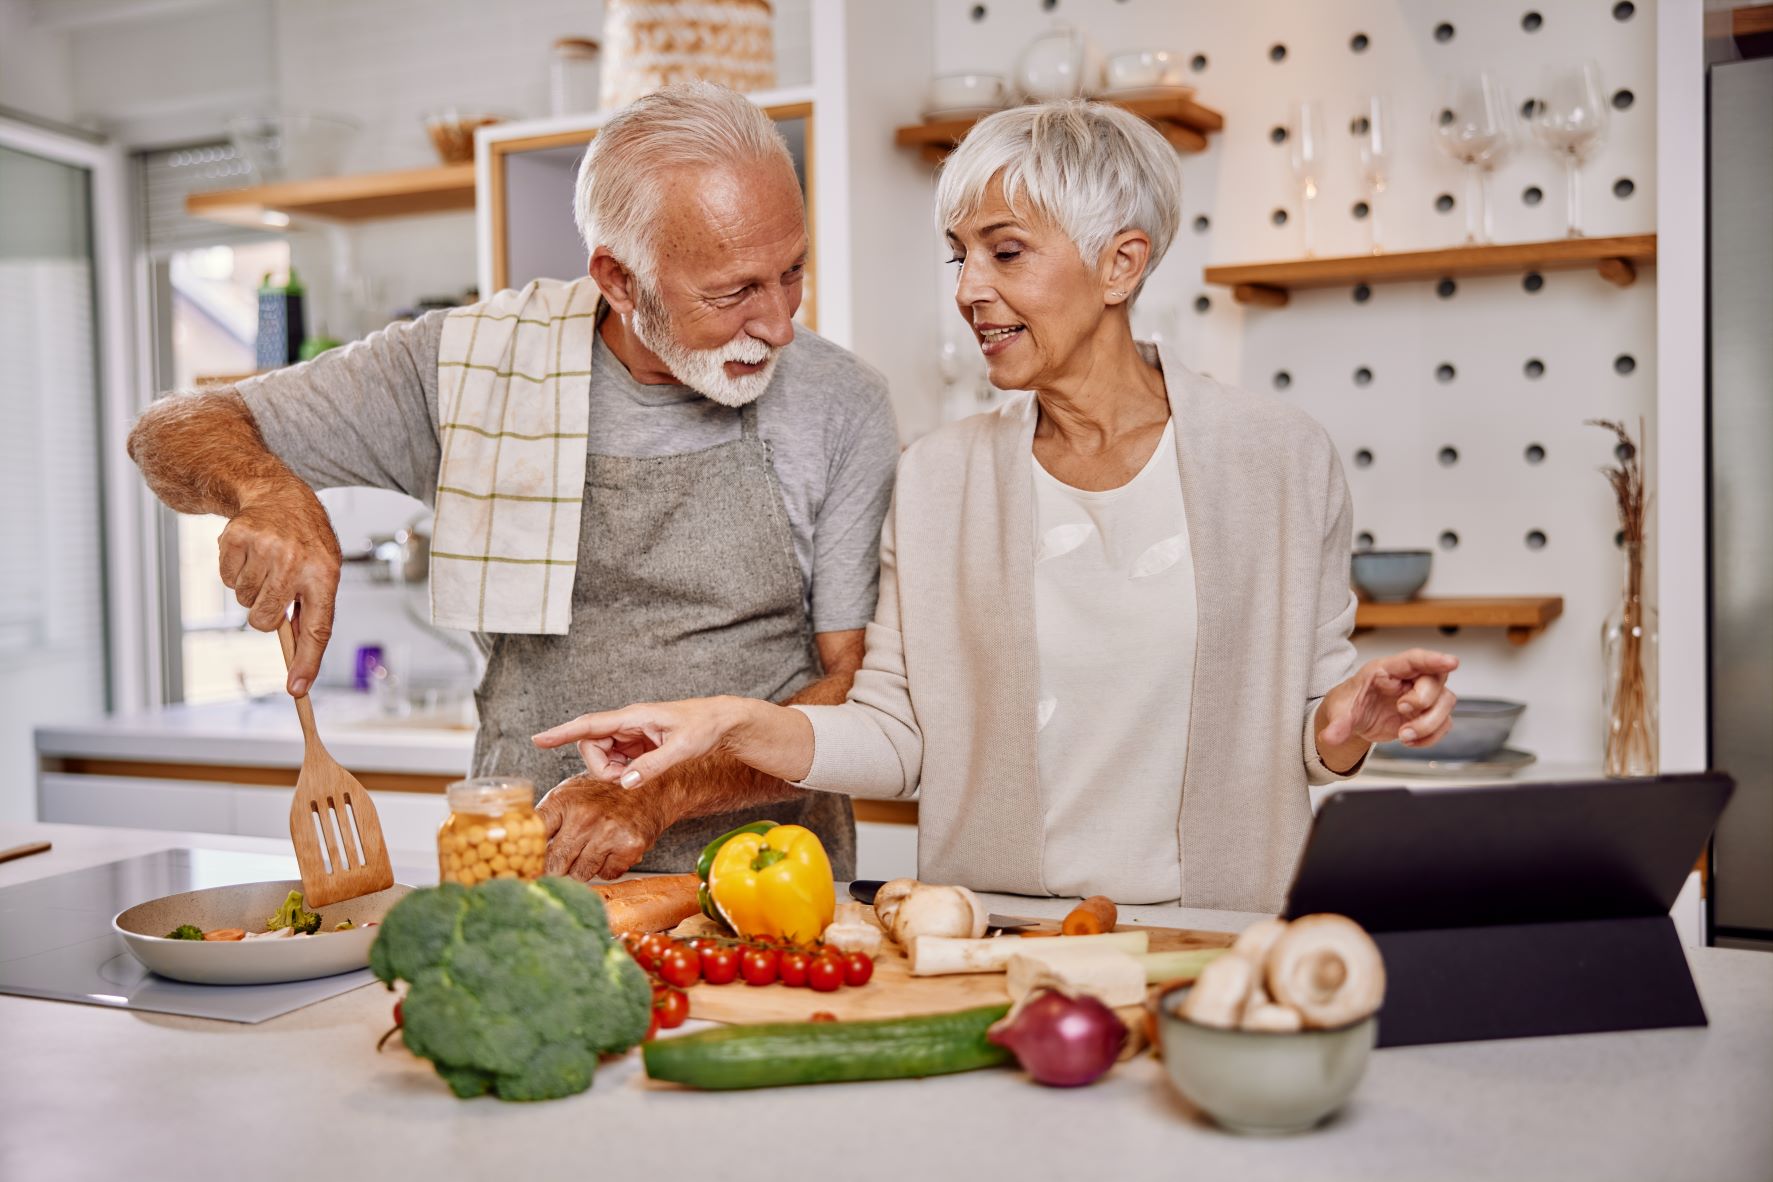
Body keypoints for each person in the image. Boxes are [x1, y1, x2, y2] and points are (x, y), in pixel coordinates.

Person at [532, 101, 1460, 913]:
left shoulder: (1277, 458)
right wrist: (727, 724)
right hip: (994, 936)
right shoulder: (941, 479)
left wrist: (1344, 728)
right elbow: (898, 736)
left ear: (1120, 264)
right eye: (960, 255)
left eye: (1005, 252)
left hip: (1217, 932)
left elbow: (1308, 730)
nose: (968, 289)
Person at [126, 83, 899, 879]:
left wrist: (653, 795)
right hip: (530, 867)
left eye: (791, 271)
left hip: (775, 884)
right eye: (732, 292)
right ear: (619, 280)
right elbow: (168, 431)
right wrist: (266, 490)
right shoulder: (468, 371)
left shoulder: (840, 403)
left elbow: (859, 689)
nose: (776, 323)